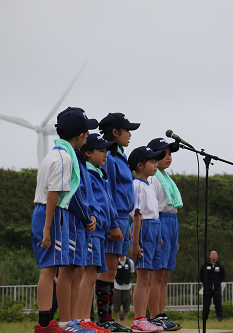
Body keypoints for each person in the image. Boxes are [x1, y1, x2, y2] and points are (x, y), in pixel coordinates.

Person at [31, 107, 98, 333]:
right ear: (80, 136)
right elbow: (53, 194)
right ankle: (51, 323)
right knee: (51, 270)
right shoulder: (65, 158)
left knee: (49, 270)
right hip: (52, 214)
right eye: (87, 132)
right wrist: (48, 228)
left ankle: (51, 323)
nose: (88, 136)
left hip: (44, 212)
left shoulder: (53, 154)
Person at [76, 133, 128, 333]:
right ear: (88, 153)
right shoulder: (88, 174)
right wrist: (96, 216)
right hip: (92, 230)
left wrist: (111, 221)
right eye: (101, 150)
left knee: (90, 277)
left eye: (107, 150)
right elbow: (90, 201)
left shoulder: (98, 174)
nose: (105, 154)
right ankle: (81, 319)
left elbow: (107, 202)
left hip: (101, 231)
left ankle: (85, 320)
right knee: (87, 277)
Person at [96, 113, 139, 332]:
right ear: (115, 132)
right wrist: (113, 223)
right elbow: (109, 193)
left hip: (123, 217)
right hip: (115, 218)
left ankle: (107, 318)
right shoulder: (110, 158)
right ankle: (104, 319)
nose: (130, 134)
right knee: (107, 270)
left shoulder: (120, 155)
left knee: (112, 271)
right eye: (127, 130)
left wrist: (126, 223)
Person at [128, 146, 166, 332]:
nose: (155, 164)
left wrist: (158, 236)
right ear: (140, 165)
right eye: (152, 161)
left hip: (154, 228)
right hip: (143, 229)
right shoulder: (136, 185)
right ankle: (138, 318)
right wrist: (135, 242)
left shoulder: (150, 184)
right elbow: (137, 214)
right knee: (143, 276)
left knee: (150, 276)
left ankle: (145, 316)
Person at [146, 138, 182, 331]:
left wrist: (175, 237)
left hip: (171, 222)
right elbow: (152, 207)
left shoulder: (166, 178)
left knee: (165, 274)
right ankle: (154, 316)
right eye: (163, 154)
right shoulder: (152, 178)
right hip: (159, 221)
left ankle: (162, 313)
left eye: (169, 154)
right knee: (157, 273)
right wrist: (158, 233)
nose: (167, 158)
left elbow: (172, 207)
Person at [199, 249, 225, 322]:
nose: (213, 255)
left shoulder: (220, 265)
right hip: (208, 288)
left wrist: (218, 283)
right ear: (209, 255)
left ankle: (220, 318)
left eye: (215, 254)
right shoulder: (205, 265)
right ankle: (204, 319)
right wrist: (205, 283)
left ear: (217, 256)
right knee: (206, 304)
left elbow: (222, 276)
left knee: (218, 304)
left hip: (217, 288)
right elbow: (201, 275)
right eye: (212, 254)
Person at [113, 256, 135, 324]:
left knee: (127, 304)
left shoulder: (130, 262)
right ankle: (118, 321)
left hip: (127, 286)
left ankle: (125, 321)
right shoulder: (115, 261)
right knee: (116, 304)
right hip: (117, 286)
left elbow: (132, 272)